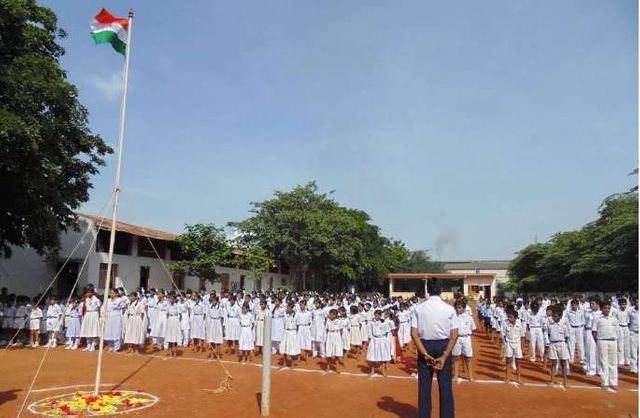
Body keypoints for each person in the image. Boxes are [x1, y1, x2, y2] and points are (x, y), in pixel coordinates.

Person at [411, 280, 458, 418]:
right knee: (445, 385)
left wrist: (424, 353)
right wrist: (444, 356)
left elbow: (414, 333)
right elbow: (454, 335)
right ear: (441, 290)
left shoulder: (419, 308)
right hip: (443, 345)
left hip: (425, 345)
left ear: (428, 291)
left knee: (424, 386)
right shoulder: (449, 309)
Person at [593, 300, 619, 391]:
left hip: (613, 341)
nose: (607, 310)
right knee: (603, 362)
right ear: (601, 309)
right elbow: (594, 331)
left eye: (608, 308)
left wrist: (615, 339)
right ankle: (605, 382)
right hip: (602, 341)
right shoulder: (597, 318)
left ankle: (613, 382)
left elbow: (617, 331)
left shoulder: (614, 319)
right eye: (605, 308)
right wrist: (598, 341)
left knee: (613, 362)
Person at [547, 305, 570, 387]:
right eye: (553, 316)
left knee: (563, 362)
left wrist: (563, 344)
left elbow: (567, 336)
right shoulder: (550, 325)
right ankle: (552, 380)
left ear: (560, 317)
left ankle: (565, 381)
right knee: (553, 363)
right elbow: (549, 335)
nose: (553, 317)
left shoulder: (563, 325)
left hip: (561, 344)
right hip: (553, 344)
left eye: (555, 316)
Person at [452, 301, 475, 382]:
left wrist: (469, 338)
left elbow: (473, 329)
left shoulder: (469, 317)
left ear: (464, 309)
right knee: (456, 357)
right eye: (457, 307)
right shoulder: (453, 317)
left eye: (460, 307)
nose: (458, 309)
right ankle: (456, 375)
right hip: (457, 338)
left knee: (468, 357)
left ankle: (470, 376)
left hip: (466, 338)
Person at [502, 308, 524, 385]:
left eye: (511, 317)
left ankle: (518, 378)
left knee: (518, 361)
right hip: (509, 343)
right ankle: (508, 377)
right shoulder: (506, 323)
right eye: (508, 317)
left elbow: (522, 336)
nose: (509, 318)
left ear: (515, 318)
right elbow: (504, 335)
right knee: (508, 361)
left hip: (517, 343)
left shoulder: (519, 324)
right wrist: (506, 344)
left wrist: (522, 346)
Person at [367, 309, 392, 377]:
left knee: (382, 355)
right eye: (375, 315)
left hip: (382, 339)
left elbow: (388, 332)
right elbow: (370, 331)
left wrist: (385, 341)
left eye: (377, 315)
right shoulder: (372, 323)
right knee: (372, 355)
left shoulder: (384, 323)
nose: (376, 317)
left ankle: (383, 371)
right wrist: (370, 339)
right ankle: (372, 371)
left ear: (380, 316)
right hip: (374, 339)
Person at [324, 308, 343, 373]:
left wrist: (340, 338)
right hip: (330, 335)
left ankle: (337, 367)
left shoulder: (339, 321)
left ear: (335, 315)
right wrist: (326, 337)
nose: (330, 315)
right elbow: (326, 329)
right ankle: (328, 367)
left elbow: (341, 330)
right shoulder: (328, 321)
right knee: (329, 352)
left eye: (332, 314)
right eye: (330, 314)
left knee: (337, 352)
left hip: (337, 335)